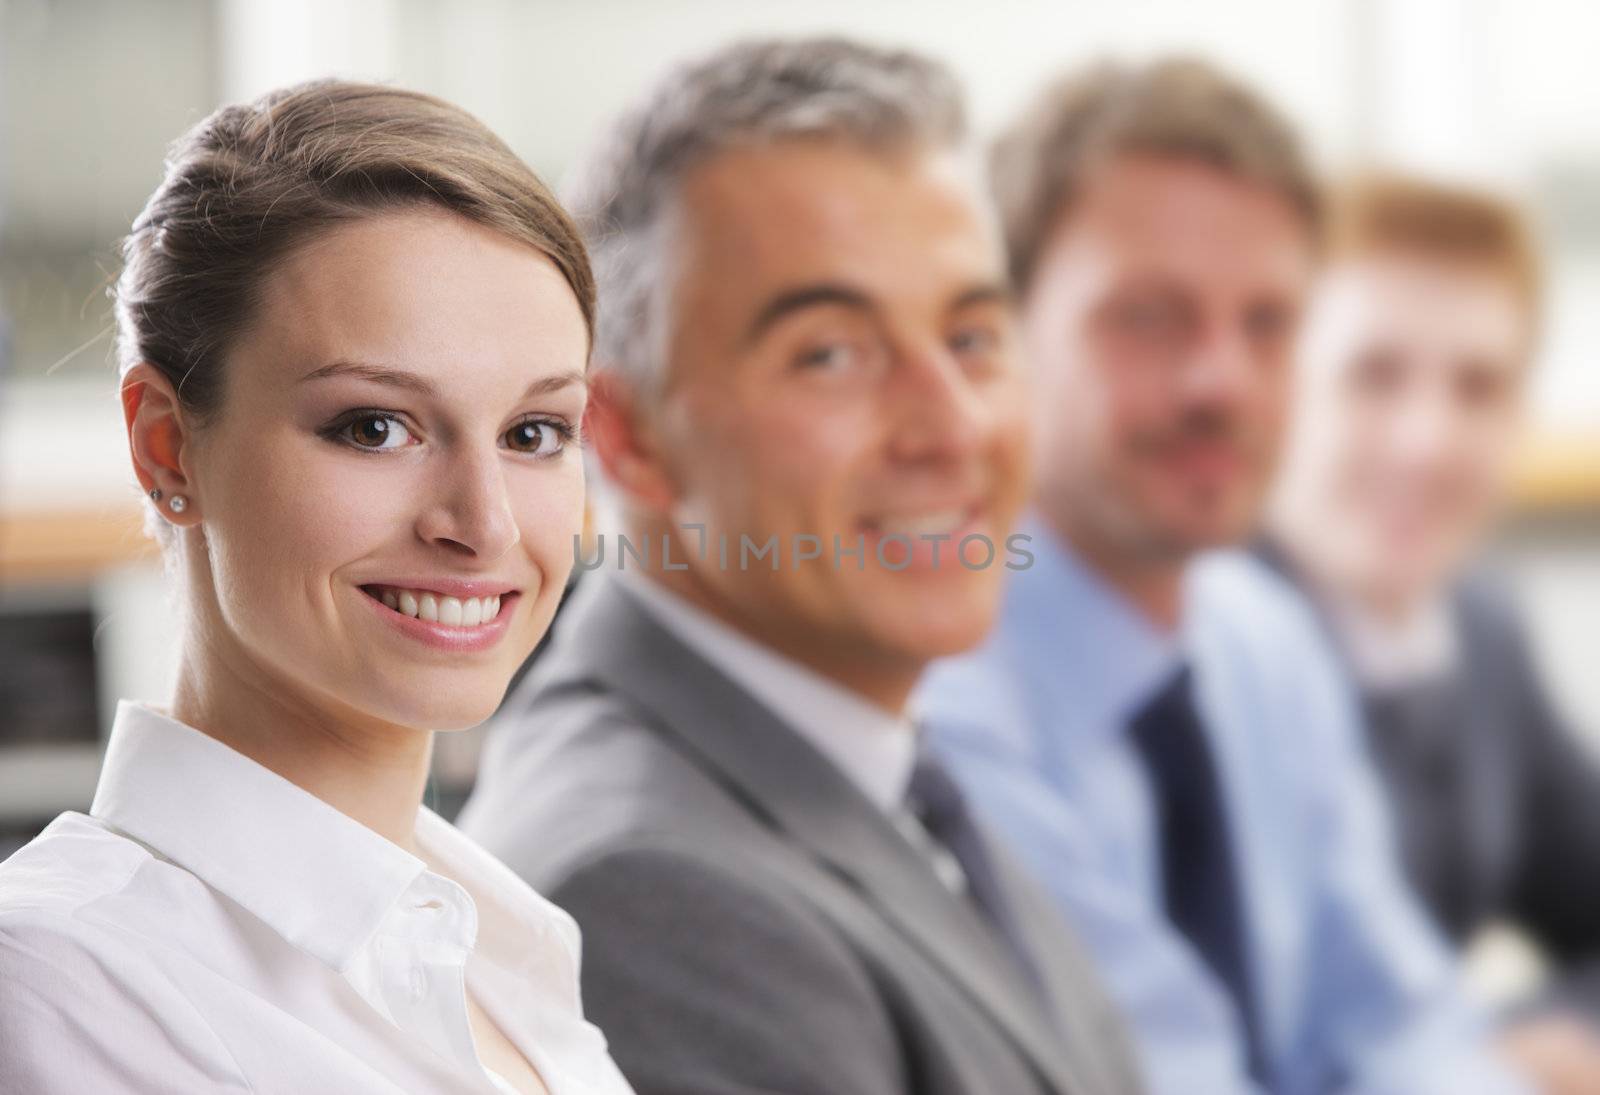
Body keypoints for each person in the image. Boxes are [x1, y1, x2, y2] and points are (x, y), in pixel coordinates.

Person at [458, 37, 1142, 1095]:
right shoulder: (654, 894)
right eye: (831, 354)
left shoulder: (871, 753)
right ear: (625, 435)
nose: (951, 425)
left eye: (972, 337)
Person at [919, 58, 1597, 1094]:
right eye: (1149, 315)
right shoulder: (938, 686)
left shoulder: (1256, 637)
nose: (1218, 380)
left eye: (1268, 323)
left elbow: (1401, 1028)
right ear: (995, 338)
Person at [0, 80, 632, 1094]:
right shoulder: (59, 983)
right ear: (168, 446)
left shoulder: (507, 948)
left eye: (533, 434)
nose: (483, 525)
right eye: (374, 426)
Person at [1266, 176, 1600, 1013]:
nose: (1428, 440)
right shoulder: (1190, 644)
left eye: (1479, 386)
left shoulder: (1480, 627)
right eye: (1374, 375)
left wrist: (1531, 1041)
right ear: (1276, 386)